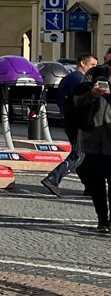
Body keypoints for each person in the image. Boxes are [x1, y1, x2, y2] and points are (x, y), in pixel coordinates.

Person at [42, 53, 97, 196]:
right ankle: (53, 178)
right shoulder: (80, 80)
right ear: (82, 63)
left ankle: (90, 186)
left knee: (83, 156)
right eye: (92, 65)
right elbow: (83, 102)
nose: (94, 68)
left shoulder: (68, 78)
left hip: (69, 119)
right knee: (78, 155)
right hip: (79, 122)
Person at [73, 64, 111, 233]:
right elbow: (77, 100)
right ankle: (102, 220)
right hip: (92, 139)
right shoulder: (93, 75)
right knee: (96, 184)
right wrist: (92, 95)